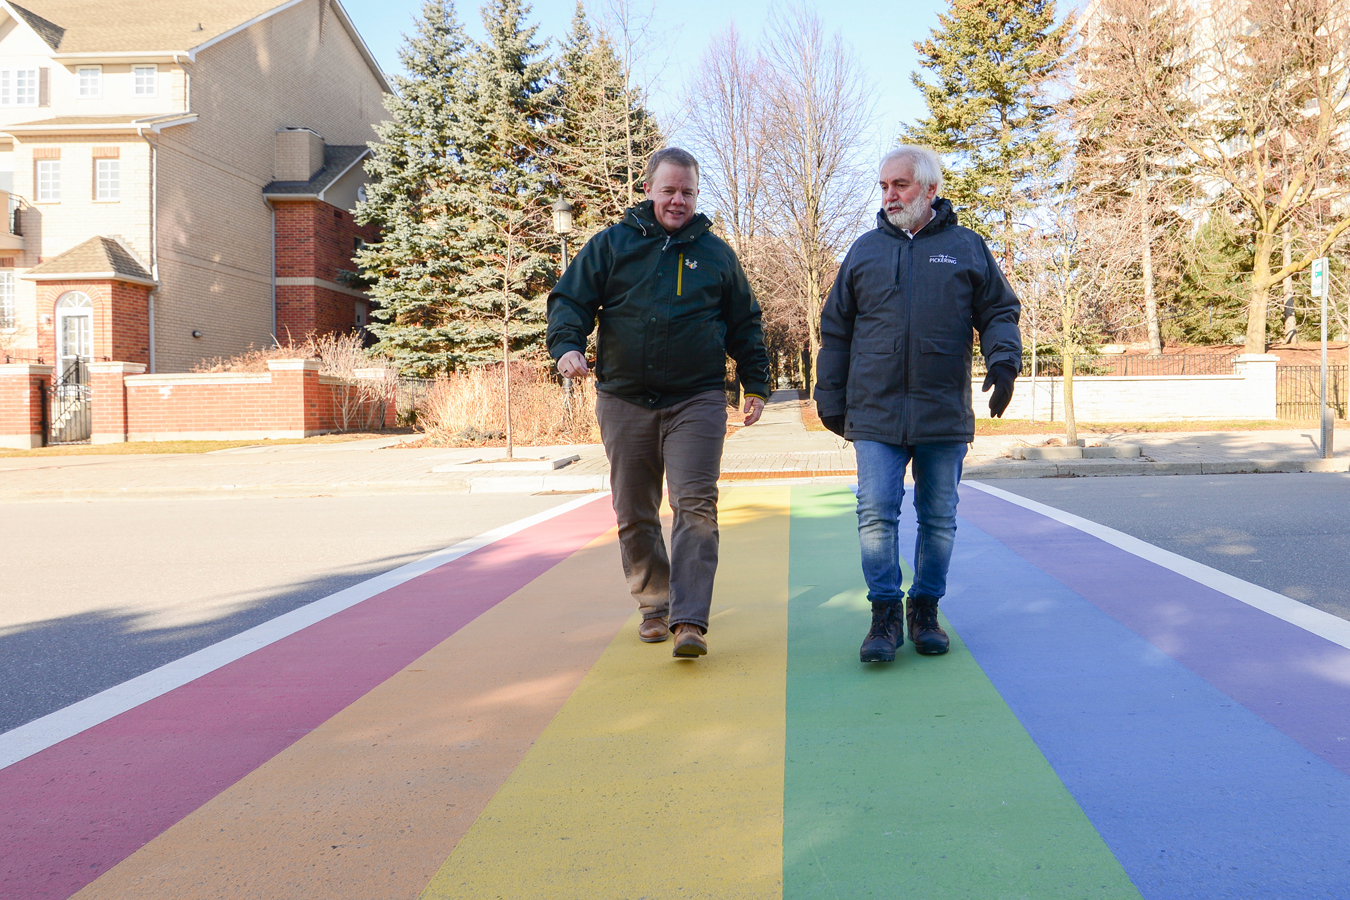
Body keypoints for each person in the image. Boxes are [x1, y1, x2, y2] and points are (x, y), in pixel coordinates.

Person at [547, 147, 770, 659]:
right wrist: (567, 347)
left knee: (694, 503)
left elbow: (745, 323)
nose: (677, 200)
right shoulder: (611, 245)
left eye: (687, 192)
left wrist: (755, 385)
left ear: (696, 195)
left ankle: (689, 620)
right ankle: (655, 605)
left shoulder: (716, 254)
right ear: (647, 189)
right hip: (625, 398)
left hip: (698, 398)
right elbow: (570, 302)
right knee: (634, 509)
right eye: (668, 190)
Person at [814, 145, 1022, 663]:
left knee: (939, 518)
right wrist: (830, 396)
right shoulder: (863, 251)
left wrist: (1004, 362)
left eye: (899, 185)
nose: (889, 195)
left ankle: (924, 610)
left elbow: (999, 310)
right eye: (883, 186)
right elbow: (835, 331)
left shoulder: (967, 247)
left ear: (930, 189)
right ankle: (884, 615)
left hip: (942, 411)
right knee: (875, 514)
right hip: (876, 411)